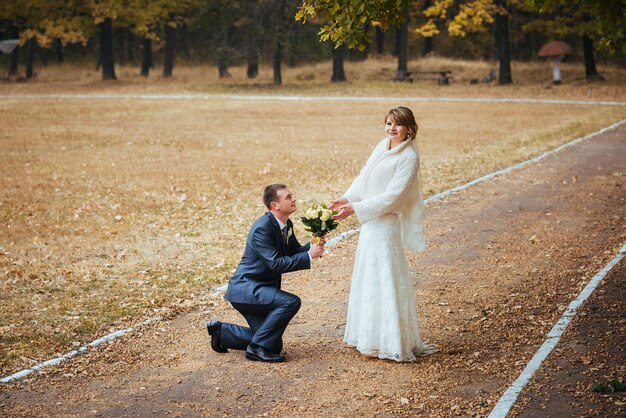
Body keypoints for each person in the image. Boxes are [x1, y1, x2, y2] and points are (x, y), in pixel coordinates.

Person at [329, 106, 437, 362]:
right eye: (388, 123)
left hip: (385, 225)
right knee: (369, 278)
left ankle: (391, 340)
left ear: (409, 129)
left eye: (397, 124)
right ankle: (368, 336)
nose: (391, 128)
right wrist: (346, 198)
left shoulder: (409, 158)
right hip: (369, 226)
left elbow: (393, 197)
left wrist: (356, 209)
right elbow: (363, 178)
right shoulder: (382, 146)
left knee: (385, 279)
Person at [207, 184, 325, 363]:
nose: (293, 199)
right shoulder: (262, 228)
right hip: (246, 289)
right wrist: (309, 256)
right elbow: (276, 264)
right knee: (291, 302)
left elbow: (293, 251)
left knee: (273, 345)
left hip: (260, 288)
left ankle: (222, 333)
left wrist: (311, 245)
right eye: (288, 197)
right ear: (274, 205)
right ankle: (255, 349)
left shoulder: (286, 224)